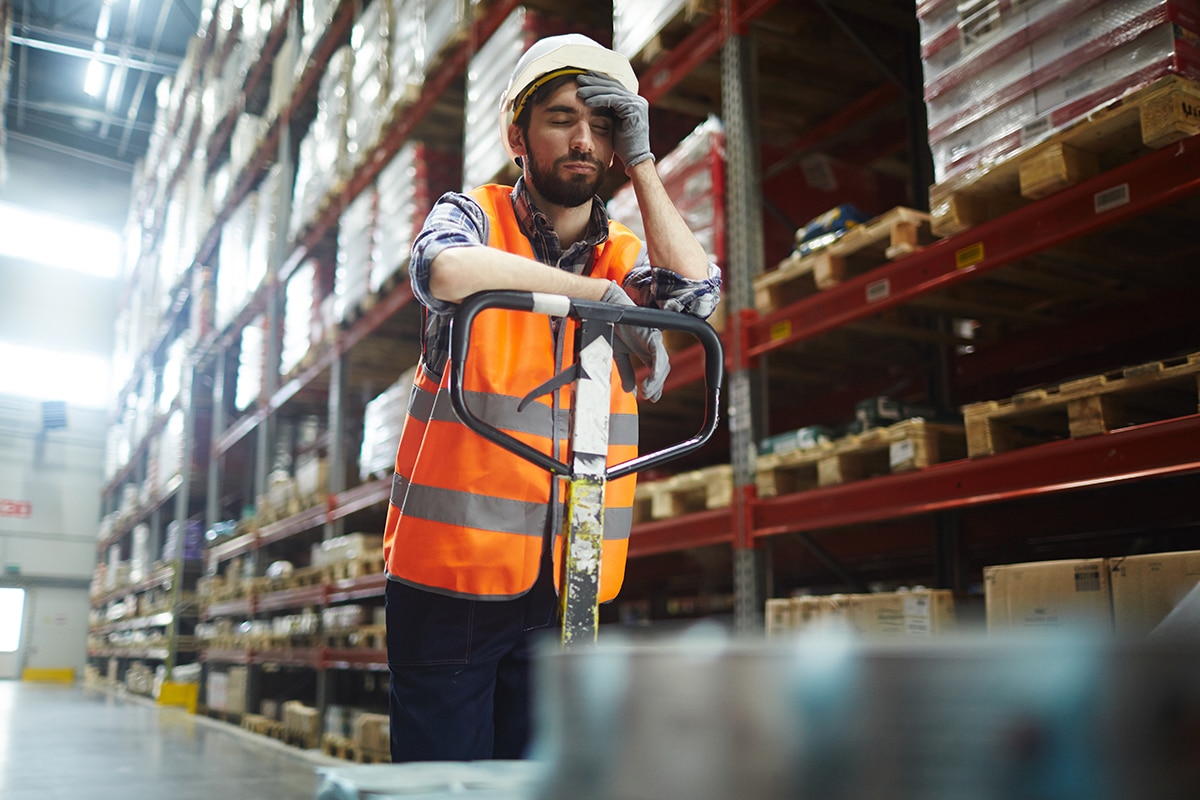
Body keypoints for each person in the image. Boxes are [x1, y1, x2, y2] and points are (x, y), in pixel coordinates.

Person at [382, 33, 722, 763]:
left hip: (571, 582)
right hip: (450, 580)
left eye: (602, 126)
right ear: (517, 135)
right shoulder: (472, 217)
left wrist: (642, 160)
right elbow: (440, 269)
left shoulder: (627, 254)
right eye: (562, 118)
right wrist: (594, 299)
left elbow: (698, 293)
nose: (583, 140)